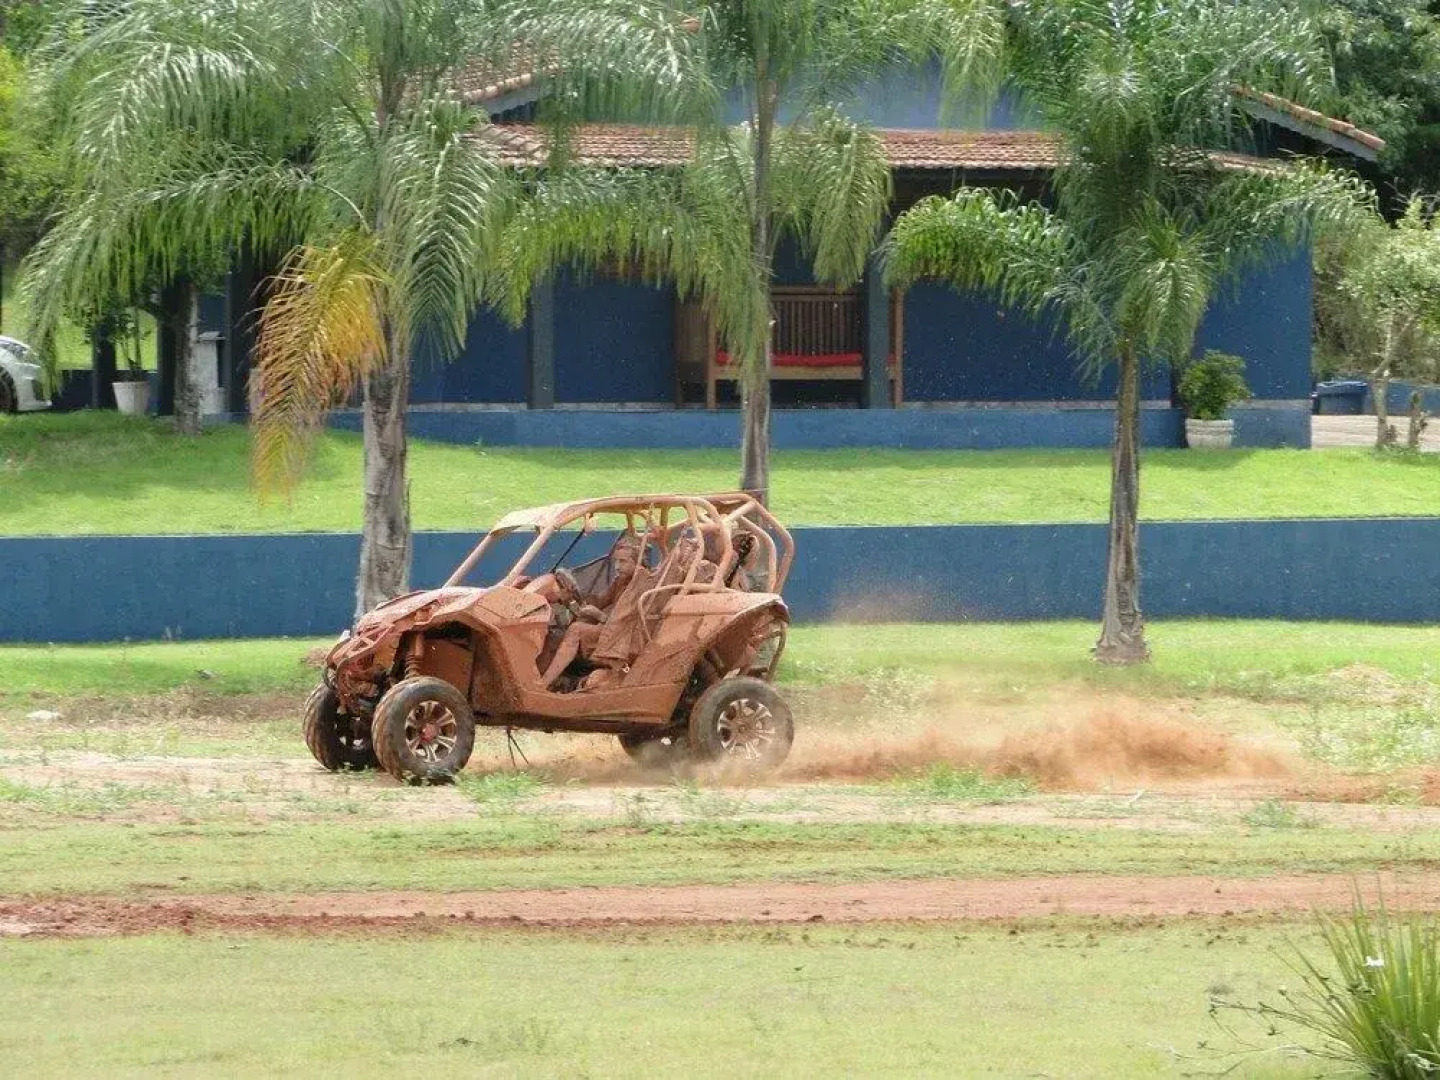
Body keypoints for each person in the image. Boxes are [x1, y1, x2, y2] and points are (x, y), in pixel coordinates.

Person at [538, 533, 643, 689]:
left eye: (623, 561)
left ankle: (542, 685)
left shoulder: (641, 584)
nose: (617, 566)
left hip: (625, 636)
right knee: (554, 637)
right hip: (611, 630)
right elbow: (600, 600)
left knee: (576, 630)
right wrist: (569, 595)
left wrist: (598, 615)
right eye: (616, 561)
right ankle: (536, 679)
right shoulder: (620, 581)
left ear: (637, 562)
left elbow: (623, 622)